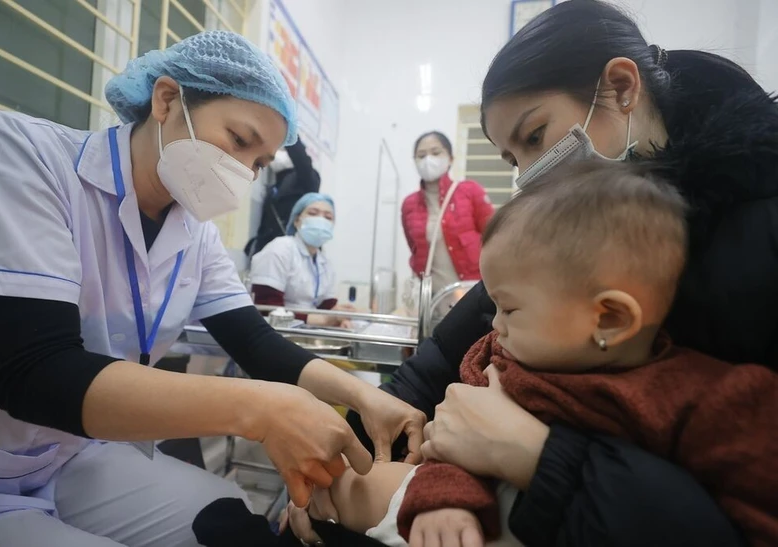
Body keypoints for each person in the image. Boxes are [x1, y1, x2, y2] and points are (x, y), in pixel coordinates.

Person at [0, 31, 425, 546]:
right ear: (166, 100)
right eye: (240, 140)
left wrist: (363, 396)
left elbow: (253, 341)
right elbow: (33, 371)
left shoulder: (194, 234)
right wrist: (263, 411)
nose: (244, 171)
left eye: (260, 162)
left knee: (235, 527)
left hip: (73, 456)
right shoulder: (17, 154)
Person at [342, 1, 778, 545]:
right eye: (511, 159)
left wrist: (533, 453)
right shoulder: (552, 256)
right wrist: (353, 440)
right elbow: (447, 356)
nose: (528, 176)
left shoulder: (751, 258)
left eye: (535, 136)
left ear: (621, 87)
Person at [288, 161, 776, 547]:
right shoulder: (499, 362)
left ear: (609, 318)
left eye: (509, 308)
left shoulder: (712, 399)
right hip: (468, 521)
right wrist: (446, 501)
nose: (494, 324)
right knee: (350, 488)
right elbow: (452, 448)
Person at [401, 131, 493, 296]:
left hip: (471, 294)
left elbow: (494, 240)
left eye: (436, 153)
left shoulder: (470, 191)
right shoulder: (409, 205)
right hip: (431, 299)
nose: (428, 160)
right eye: (421, 156)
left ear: (450, 159)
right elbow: (414, 248)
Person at [250, 192, 352, 328]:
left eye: (328, 217)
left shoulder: (324, 262)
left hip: (307, 333)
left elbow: (327, 306)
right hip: (275, 333)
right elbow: (266, 307)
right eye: (313, 213)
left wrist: (340, 319)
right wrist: (321, 320)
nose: (321, 220)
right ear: (297, 220)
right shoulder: (280, 249)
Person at [245, 136, 321, 256]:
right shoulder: (276, 185)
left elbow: (301, 158)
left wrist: (290, 133)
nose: (277, 154)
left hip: (292, 252)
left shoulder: (307, 178)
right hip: (267, 252)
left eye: (282, 151)